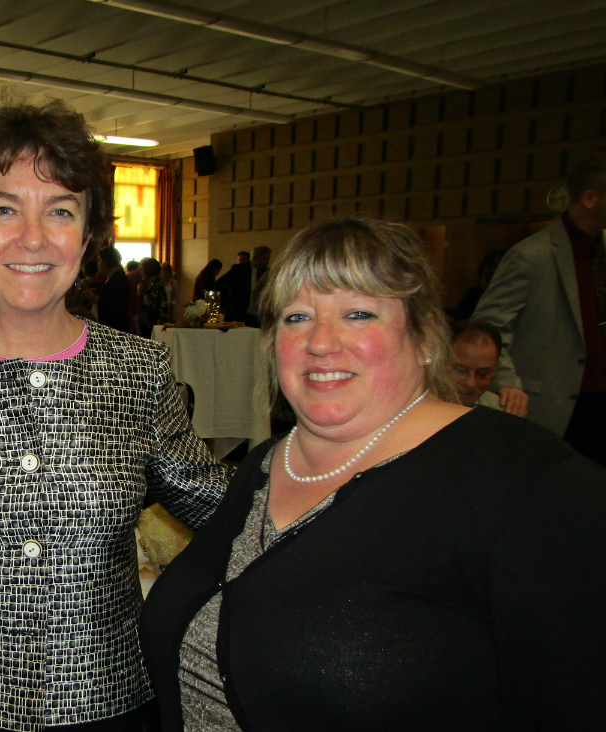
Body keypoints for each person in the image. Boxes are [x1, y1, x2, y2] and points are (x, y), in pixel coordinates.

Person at [141, 215, 606, 732]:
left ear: (427, 337)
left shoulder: (533, 487)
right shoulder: (266, 465)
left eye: (358, 313)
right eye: (296, 318)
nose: (321, 341)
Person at [0, 99, 230, 732]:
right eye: (4, 208)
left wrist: (327, 469)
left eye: (60, 210)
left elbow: (217, 503)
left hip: (104, 698)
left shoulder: (138, 372)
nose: (32, 237)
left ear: (88, 236)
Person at [473, 154, 606, 464]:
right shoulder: (532, 256)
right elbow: (488, 326)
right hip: (554, 404)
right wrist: (508, 383)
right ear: (589, 198)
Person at [452, 320, 504, 409]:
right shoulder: (420, 407)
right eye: (461, 371)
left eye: (482, 373)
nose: (471, 383)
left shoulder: (500, 413)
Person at [97, 246, 132, 333]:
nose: (98, 264)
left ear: (107, 261)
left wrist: (95, 298)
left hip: (115, 328)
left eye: (100, 260)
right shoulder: (114, 277)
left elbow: (114, 306)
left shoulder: (118, 280)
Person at [138, 257, 168, 338]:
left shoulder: (154, 288)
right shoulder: (156, 285)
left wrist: (140, 295)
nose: (141, 272)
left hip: (152, 328)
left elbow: (148, 310)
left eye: (142, 270)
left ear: (148, 271)